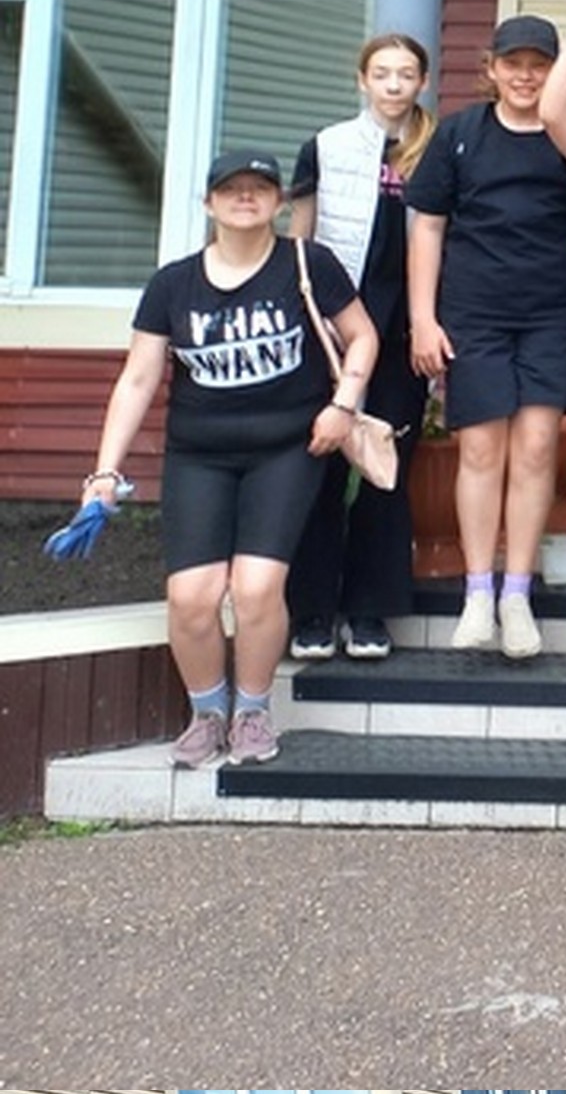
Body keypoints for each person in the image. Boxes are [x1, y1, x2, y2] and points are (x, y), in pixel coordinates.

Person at [82, 148, 370, 768]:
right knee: (191, 596)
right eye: (231, 189)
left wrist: (343, 404)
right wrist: (104, 473)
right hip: (200, 455)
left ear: (278, 202)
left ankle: (253, 714)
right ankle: (207, 713)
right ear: (209, 202)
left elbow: (363, 335)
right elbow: (137, 380)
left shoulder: (308, 263)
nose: (246, 197)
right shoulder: (172, 284)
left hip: (288, 448)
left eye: (259, 188)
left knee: (257, 587)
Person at [406, 0, 566, 659]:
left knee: (535, 449)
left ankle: (517, 594)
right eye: (514, 63)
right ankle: (477, 593)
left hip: (557, 312)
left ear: (557, 71)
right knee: (479, 450)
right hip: (475, 313)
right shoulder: (460, 135)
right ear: (491, 67)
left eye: (539, 64)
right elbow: (429, 228)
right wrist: (421, 318)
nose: (526, 76)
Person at [284, 32, 434, 661]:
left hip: (403, 327)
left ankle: (370, 611)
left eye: (406, 74)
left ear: (422, 82)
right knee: (318, 464)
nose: (394, 85)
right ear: (362, 81)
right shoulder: (326, 146)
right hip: (332, 324)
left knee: (385, 468)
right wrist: (302, 315)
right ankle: (312, 610)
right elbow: (299, 237)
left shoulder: (437, 147)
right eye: (382, 73)